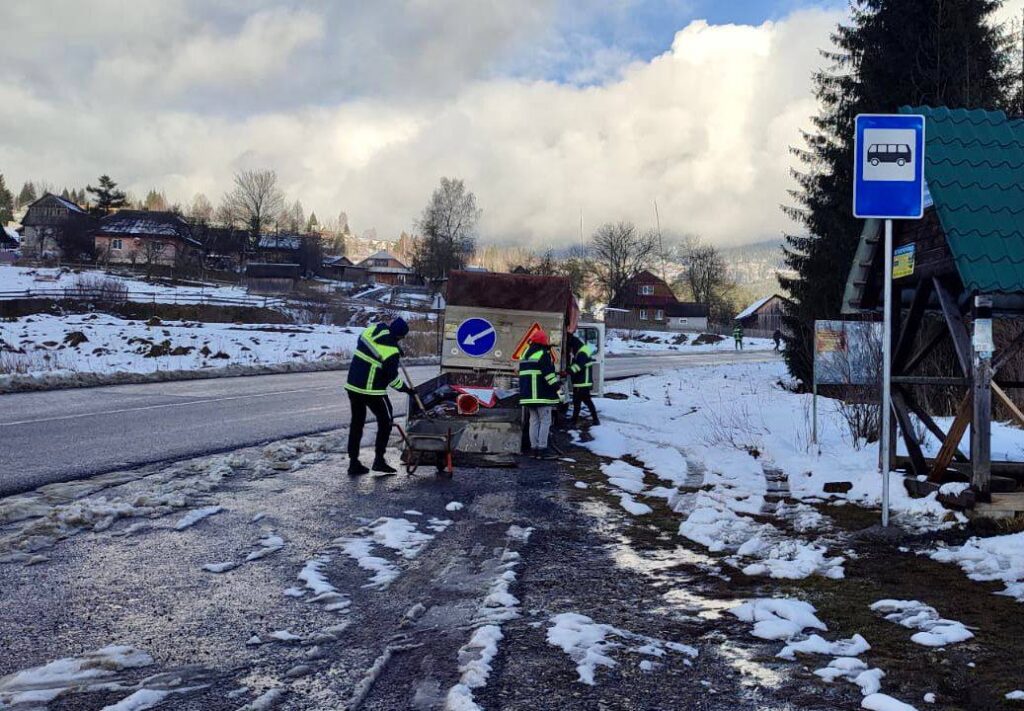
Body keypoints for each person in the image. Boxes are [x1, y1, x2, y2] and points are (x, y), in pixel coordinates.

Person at [345, 317, 414, 476]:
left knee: (357, 423)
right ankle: (379, 461)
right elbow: (393, 380)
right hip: (371, 390)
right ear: (400, 337)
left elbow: (371, 346)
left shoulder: (372, 330)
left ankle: (353, 463)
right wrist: (407, 390)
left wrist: (392, 348)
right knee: (386, 421)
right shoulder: (391, 352)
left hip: (353, 386)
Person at [518, 328, 561, 458]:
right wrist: (557, 387)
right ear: (543, 341)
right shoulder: (543, 353)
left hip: (528, 396)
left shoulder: (525, 353)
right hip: (542, 395)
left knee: (534, 421)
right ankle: (543, 450)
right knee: (545, 421)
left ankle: (534, 449)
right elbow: (549, 376)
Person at [569, 334, 600, 427]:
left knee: (578, 402)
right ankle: (594, 419)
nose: (570, 350)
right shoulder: (583, 351)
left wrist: (568, 370)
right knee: (585, 401)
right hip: (582, 382)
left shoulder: (582, 353)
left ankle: (575, 421)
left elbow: (579, 366)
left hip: (581, 382)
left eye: (571, 347)